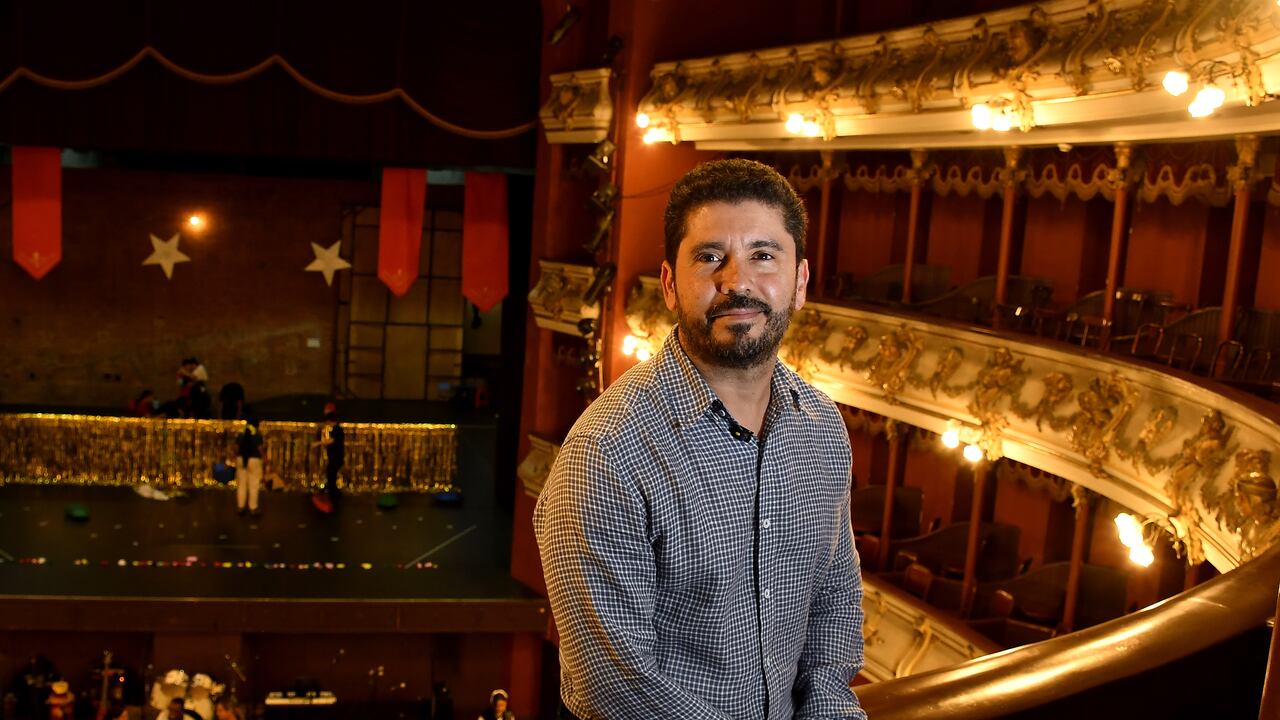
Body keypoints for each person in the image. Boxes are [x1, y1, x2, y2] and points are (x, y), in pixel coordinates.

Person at [534, 159, 866, 720]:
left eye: (764, 256)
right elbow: (615, 690)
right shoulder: (605, 453)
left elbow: (835, 604)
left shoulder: (823, 428)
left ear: (800, 282)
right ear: (669, 284)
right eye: (710, 257)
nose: (737, 281)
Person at [311, 411, 344, 513]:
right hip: (336, 458)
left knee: (331, 477)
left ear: (329, 420)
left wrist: (318, 443)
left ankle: (334, 498)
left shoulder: (337, 429)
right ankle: (334, 497)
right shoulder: (337, 429)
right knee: (331, 477)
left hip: (336, 458)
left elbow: (331, 441)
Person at [235, 418, 264, 516]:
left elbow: (236, 448)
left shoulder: (241, 434)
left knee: (241, 485)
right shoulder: (257, 435)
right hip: (254, 460)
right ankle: (253, 507)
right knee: (254, 485)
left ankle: (240, 507)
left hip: (241, 459)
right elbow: (260, 449)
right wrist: (265, 459)